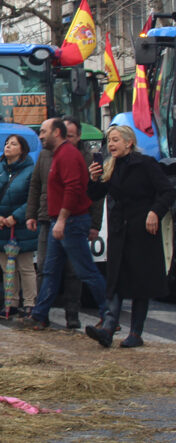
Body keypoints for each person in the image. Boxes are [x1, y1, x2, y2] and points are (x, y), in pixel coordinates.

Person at [85, 126, 176, 348]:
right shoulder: (111, 167)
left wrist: (155, 212)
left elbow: (168, 191)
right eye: (109, 141)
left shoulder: (145, 164)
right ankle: (107, 328)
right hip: (120, 233)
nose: (111, 144)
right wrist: (93, 179)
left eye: (116, 140)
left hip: (142, 232)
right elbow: (95, 195)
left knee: (140, 284)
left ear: (129, 142)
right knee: (115, 281)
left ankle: (136, 333)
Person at [22, 118, 108, 330]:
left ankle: (109, 314)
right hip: (60, 221)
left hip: (70, 222)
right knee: (50, 270)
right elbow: (38, 186)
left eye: (43, 131)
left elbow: (73, 189)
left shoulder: (67, 155)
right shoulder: (56, 155)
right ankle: (40, 315)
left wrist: (61, 220)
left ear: (56, 133)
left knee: (85, 270)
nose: (40, 135)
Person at [0, 134, 38, 319]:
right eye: (6, 143)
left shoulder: (30, 171)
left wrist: (16, 217)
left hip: (21, 226)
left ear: (22, 149)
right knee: (7, 267)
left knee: (25, 266)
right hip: (2, 226)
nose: (8, 146)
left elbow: (33, 197)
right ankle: (10, 303)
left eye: (13, 144)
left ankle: (30, 303)